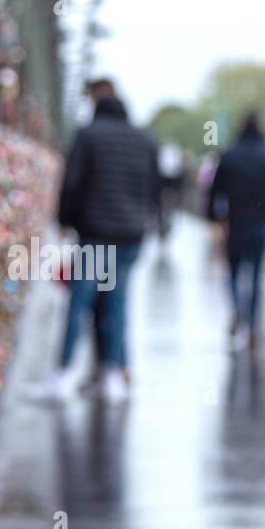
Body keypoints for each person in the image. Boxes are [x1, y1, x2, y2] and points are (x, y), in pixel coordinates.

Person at [44, 78, 159, 402]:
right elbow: (154, 187)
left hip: (96, 233)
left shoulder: (89, 135)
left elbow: (73, 182)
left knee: (79, 303)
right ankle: (112, 376)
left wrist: (64, 220)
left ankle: (63, 374)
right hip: (132, 234)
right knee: (116, 303)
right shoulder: (144, 139)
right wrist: (148, 222)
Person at [206, 111, 265, 347]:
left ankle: (238, 308)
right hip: (261, 225)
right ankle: (253, 326)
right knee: (257, 275)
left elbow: (214, 190)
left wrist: (215, 217)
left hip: (236, 223)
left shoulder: (229, 156)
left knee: (234, 272)